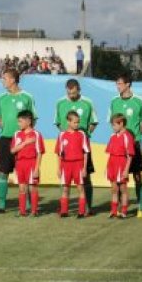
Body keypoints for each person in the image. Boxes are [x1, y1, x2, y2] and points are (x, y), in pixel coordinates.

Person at [0, 69, 37, 213]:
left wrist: (25, 135)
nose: (3, 81)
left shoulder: (27, 97)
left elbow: (33, 118)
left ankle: (29, 205)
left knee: (25, 172)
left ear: (13, 79)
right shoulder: (0, 98)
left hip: (23, 140)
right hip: (6, 139)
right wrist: (5, 125)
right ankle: (1, 205)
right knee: (3, 172)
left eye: (5, 78)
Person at [107, 73, 142, 217]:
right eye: (116, 84)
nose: (117, 86)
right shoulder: (114, 101)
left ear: (128, 84)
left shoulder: (139, 101)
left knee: (137, 176)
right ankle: (117, 208)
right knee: (117, 180)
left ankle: (140, 207)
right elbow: (111, 120)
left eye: (119, 83)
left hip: (134, 144)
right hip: (119, 147)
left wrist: (135, 136)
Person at [54, 78, 98, 213]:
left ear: (78, 90)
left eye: (73, 93)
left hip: (82, 145)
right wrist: (67, 136)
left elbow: (94, 122)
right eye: (69, 93)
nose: (71, 95)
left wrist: (84, 135)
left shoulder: (87, 102)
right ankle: (64, 208)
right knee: (64, 178)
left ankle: (87, 207)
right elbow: (58, 123)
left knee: (86, 176)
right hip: (67, 145)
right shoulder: (60, 103)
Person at [55, 111, 90, 218]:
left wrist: (84, 168)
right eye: (75, 122)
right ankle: (64, 211)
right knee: (65, 188)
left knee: (80, 188)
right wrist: (59, 168)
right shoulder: (62, 135)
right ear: (68, 122)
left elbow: (85, 152)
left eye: (78, 122)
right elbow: (59, 154)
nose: (77, 124)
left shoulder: (81, 134)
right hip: (66, 166)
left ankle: (81, 211)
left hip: (78, 165)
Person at [10, 110, 45, 216]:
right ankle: (22, 211)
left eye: (20, 121)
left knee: (32, 187)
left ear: (28, 121)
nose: (18, 124)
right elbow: (13, 150)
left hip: (31, 163)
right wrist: (25, 143)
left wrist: (36, 169)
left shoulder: (37, 135)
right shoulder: (17, 134)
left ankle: (34, 211)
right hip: (20, 164)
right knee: (22, 188)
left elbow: (39, 153)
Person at [106, 113, 134, 219]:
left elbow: (129, 155)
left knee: (123, 189)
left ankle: (124, 211)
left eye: (114, 125)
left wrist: (126, 170)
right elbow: (110, 152)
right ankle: (113, 211)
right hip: (112, 164)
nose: (112, 128)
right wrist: (108, 168)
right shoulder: (113, 136)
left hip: (121, 164)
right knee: (114, 189)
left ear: (121, 124)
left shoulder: (127, 136)